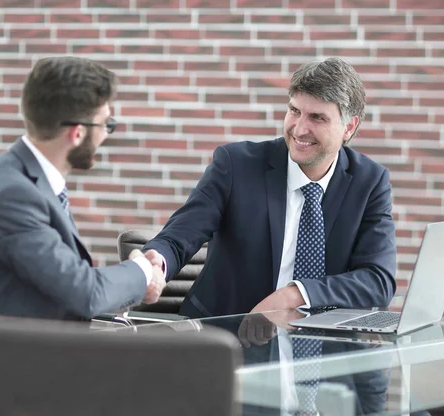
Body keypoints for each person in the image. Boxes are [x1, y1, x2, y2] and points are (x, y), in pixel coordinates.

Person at [143, 57, 396, 318]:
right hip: (227, 338)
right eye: (295, 111)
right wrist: (154, 264)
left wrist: (295, 294)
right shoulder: (236, 166)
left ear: (349, 127)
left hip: (324, 345)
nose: (299, 129)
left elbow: (378, 280)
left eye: (317, 118)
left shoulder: (369, 182)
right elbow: (178, 237)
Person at [0, 57, 165, 321]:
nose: (106, 135)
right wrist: (142, 270)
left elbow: (60, 284)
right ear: (77, 133)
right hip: (14, 358)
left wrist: (134, 272)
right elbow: (84, 292)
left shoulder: (23, 179)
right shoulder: (12, 194)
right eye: (106, 124)